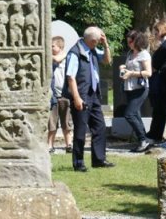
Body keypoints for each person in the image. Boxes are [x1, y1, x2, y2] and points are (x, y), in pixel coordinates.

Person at [63, 26, 115, 172]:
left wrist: (105, 45)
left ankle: (99, 160)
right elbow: (70, 77)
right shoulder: (75, 52)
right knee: (80, 130)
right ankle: (78, 163)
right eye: (98, 41)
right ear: (92, 40)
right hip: (81, 95)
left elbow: (106, 60)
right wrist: (77, 98)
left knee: (100, 127)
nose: (99, 43)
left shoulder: (91, 49)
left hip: (94, 94)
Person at [121, 30, 152, 152]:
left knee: (129, 114)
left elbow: (148, 73)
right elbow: (129, 68)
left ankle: (143, 139)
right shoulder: (130, 53)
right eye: (127, 41)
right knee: (136, 115)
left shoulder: (144, 54)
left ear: (137, 41)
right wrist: (123, 68)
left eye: (130, 41)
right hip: (129, 88)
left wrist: (131, 74)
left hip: (140, 88)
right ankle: (143, 141)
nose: (128, 43)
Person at [47, 36, 73, 153]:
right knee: (52, 123)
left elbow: (59, 59)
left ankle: (69, 145)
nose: (50, 48)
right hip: (53, 96)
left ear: (60, 46)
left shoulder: (68, 58)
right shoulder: (50, 60)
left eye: (53, 46)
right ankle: (50, 146)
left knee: (66, 122)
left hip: (65, 95)